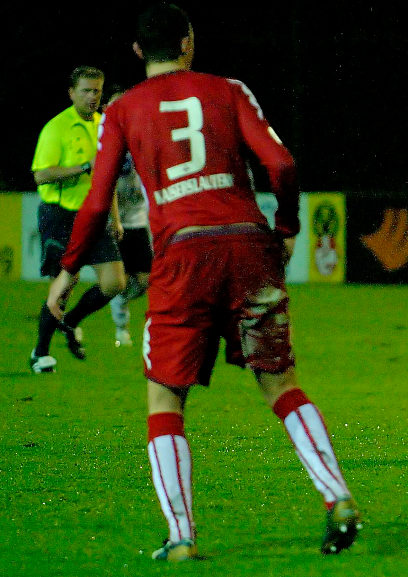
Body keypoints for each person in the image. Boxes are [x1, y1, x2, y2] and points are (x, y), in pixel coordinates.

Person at [46, 4, 360, 561]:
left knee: (166, 395)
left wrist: (69, 271)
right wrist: (284, 226)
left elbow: (97, 199)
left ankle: (182, 538)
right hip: (247, 245)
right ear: (189, 42)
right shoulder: (228, 89)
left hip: (183, 255)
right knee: (281, 383)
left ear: (139, 52)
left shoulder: (120, 110)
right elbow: (282, 164)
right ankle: (336, 496)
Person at [29, 66, 125, 373]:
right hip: (59, 216)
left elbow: (105, 178)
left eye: (97, 90)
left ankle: (70, 322)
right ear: (72, 93)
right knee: (63, 286)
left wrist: (116, 218)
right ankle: (40, 353)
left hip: (94, 216)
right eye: (85, 90)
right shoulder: (56, 127)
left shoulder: (104, 125)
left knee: (114, 283)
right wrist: (83, 166)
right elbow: (41, 175)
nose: (92, 97)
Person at [103, 88, 153, 347]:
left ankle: (120, 300)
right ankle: (120, 328)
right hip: (113, 219)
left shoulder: (140, 133)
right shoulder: (103, 137)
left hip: (137, 218)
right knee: (115, 278)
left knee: (144, 280)